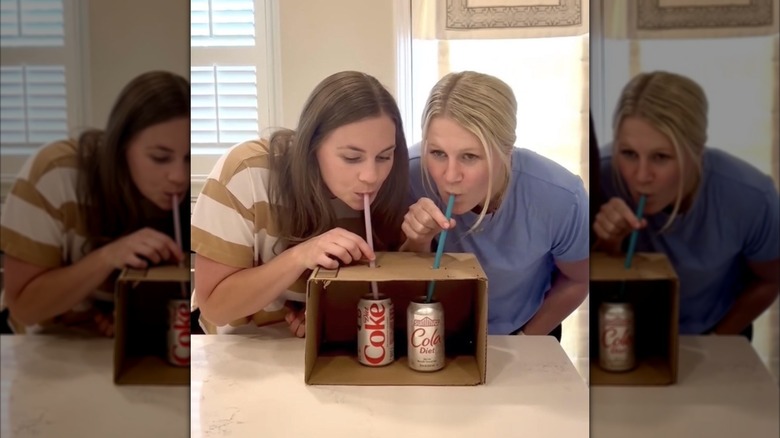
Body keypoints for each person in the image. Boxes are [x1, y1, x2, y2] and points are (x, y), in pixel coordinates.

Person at [190, 71, 409, 336]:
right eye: (352, 158)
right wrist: (300, 256)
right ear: (311, 146)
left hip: (321, 353)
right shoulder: (245, 174)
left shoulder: (393, 184)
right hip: (233, 351)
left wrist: (329, 309)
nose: (371, 177)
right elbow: (214, 307)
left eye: (384, 156)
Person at [401, 71, 590, 340]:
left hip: (525, 330)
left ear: (507, 151)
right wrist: (418, 241)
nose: (450, 175)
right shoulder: (407, 177)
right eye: (438, 153)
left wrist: (526, 341)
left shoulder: (561, 197)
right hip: (429, 334)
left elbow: (578, 280)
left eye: (470, 156)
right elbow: (399, 282)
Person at [0, 70, 190, 336]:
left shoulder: (189, 204)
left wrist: (127, 318)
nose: (180, 177)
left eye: (189, 158)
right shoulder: (55, 175)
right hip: (40, 348)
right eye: (160, 157)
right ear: (120, 147)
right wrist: (107, 257)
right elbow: (23, 309)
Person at [593, 70, 780, 339]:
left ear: (698, 151)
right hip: (623, 337)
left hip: (716, 331)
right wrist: (608, 243)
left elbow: (770, 280)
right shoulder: (600, 178)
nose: (641, 176)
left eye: (661, 156)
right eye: (629, 153)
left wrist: (718, 340)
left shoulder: (751, 196)